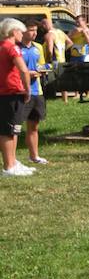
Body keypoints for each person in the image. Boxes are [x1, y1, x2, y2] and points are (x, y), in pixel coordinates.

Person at [0, 19, 34, 177]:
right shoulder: (12, 47)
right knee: (8, 131)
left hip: (5, 93)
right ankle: (8, 166)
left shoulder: (2, 46)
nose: (23, 34)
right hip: (11, 93)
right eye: (21, 31)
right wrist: (27, 89)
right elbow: (24, 70)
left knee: (13, 130)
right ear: (14, 32)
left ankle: (12, 162)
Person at [18, 23, 47, 166]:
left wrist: (43, 70)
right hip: (20, 91)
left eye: (36, 30)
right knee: (15, 126)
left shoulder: (38, 47)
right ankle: (11, 159)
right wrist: (27, 74)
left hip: (37, 91)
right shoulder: (16, 48)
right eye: (31, 30)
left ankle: (34, 156)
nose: (34, 33)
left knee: (34, 126)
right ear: (23, 32)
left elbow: (41, 65)